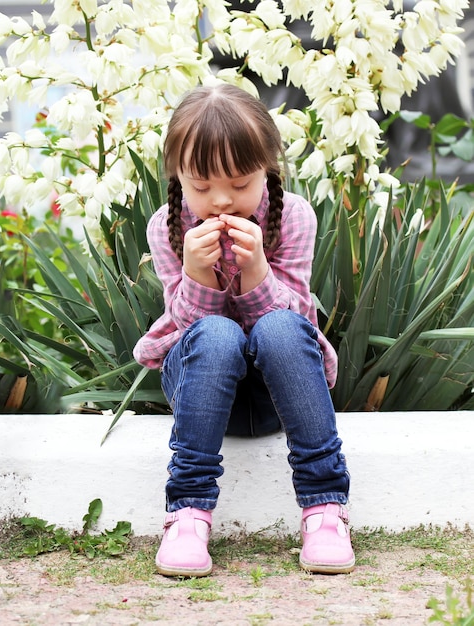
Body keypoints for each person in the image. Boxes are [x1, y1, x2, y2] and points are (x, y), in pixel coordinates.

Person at [133, 82, 354, 578]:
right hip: (203, 392)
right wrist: (195, 274)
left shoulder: (292, 216)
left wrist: (255, 273)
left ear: (267, 170)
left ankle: (324, 508)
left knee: (277, 327)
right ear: (178, 177)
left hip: (280, 394)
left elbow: (298, 325)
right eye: (202, 185)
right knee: (216, 335)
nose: (221, 202)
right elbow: (188, 328)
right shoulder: (166, 226)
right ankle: (187, 513)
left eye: (239, 183)